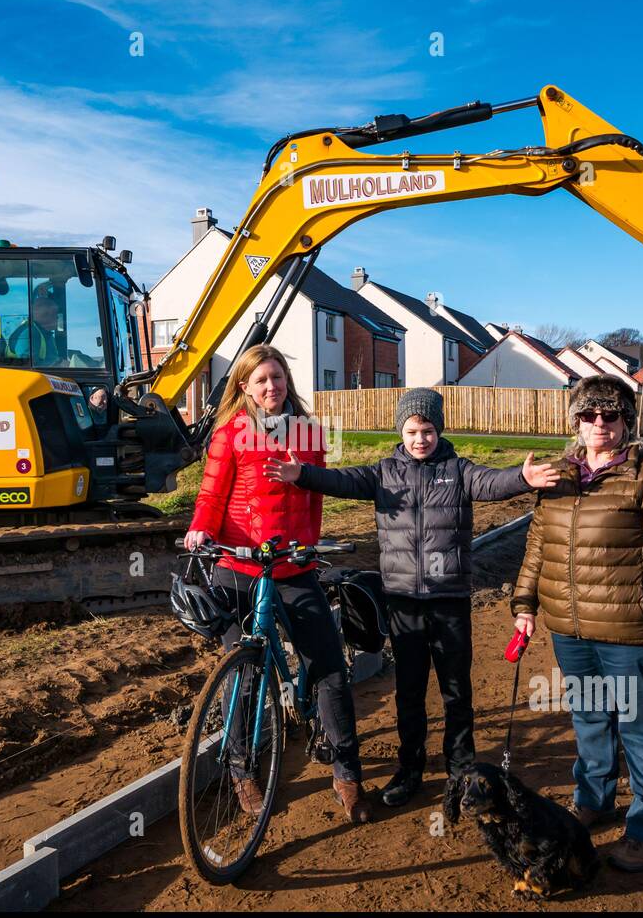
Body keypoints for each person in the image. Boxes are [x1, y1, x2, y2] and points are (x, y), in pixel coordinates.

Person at [267, 387, 561, 808]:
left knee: (456, 690)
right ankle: (410, 769)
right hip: (402, 602)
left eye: (426, 430)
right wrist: (304, 475)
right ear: (400, 432)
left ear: (438, 430)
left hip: (449, 599)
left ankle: (461, 772)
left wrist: (522, 477)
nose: (419, 438)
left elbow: (491, 482)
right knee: (409, 691)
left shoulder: (458, 470)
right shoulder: (385, 472)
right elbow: (342, 479)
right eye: (411, 431)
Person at [510, 375, 643, 873]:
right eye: (589, 415)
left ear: (626, 422)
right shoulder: (557, 477)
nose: (599, 424)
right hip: (569, 628)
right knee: (590, 718)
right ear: (575, 421)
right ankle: (594, 799)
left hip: (630, 631)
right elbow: (538, 545)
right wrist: (525, 602)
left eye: (610, 415)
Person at [185, 345, 373, 824]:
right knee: (244, 674)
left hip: (292, 567)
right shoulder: (230, 435)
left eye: (278, 378)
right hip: (238, 567)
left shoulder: (306, 433)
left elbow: (315, 495)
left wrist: (308, 545)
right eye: (261, 380)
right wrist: (200, 528)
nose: (272, 387)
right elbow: (211, 494)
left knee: (330, 668)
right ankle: (241, 770)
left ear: (287, 381)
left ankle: (348, 773)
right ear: (244, 386)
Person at [6, 295, 67, 367]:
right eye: (55, 314)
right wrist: (58, 365)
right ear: (44, 315)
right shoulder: (29, 333)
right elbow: (27, 365)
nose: (58, 318)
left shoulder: (48, 336)